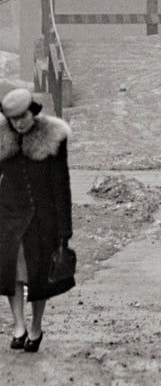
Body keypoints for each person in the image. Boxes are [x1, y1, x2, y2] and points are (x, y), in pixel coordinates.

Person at [0, 88, 74, 353]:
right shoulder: (1, 139)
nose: (19, 123)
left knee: (38, 278)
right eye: (13, 119)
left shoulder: (53, 138)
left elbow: (61, 184)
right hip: (9, 218)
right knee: (12, 274)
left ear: (33, 111)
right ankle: (18, 326)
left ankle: (36, 327)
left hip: (42, 220)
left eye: (23, 116)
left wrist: (64, 229)